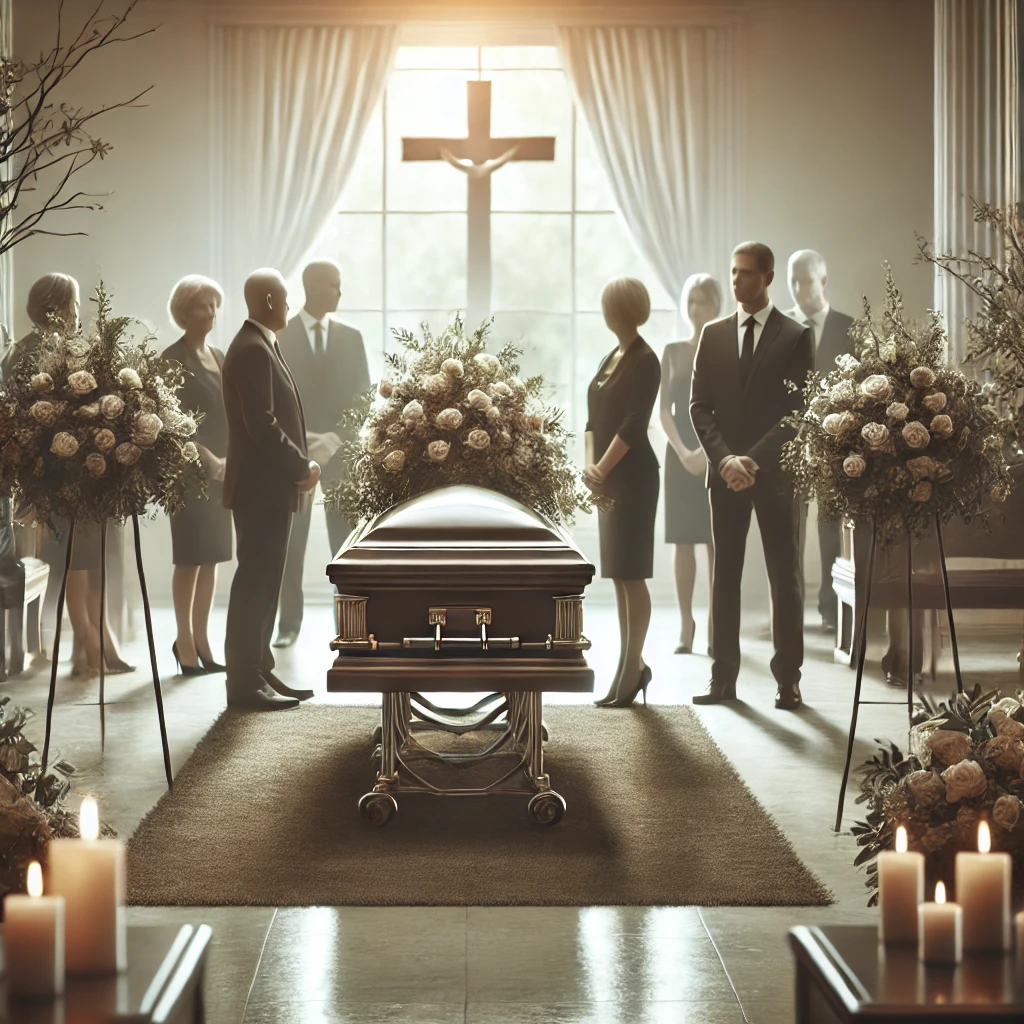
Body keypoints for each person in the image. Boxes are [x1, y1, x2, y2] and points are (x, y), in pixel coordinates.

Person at [690, 242, 814, 711]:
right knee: (727, 576)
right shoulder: (714, 334)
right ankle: (723, 680)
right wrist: (724, 461)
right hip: (725, 475)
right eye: (733, 272)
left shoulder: (795, 336)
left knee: (786, 577)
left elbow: (798, 412)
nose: (737, 281)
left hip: (777, 476)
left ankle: (788, 681)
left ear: (768, 276)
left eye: (745, 274)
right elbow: (698, 406)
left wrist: (752, 461)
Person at [3, 274, 133, 677]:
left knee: (92, 559)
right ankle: (92, 643)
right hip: (54, 472)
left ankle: (92, 642)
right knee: (76, 560)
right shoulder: (24, 353)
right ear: (55, 307)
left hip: (87, 468)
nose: (79, 313)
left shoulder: (77, 348)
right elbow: (16, 420)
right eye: (75, 304)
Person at [221, 269, 320, 711]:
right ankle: (244, 683)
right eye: (284, 297)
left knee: (265, 583)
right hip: (260, 489)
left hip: (268, 488)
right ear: (267, 298)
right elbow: (261, 424)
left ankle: (260, 670)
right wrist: (302, 465)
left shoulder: (260, 344)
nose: (289, 304)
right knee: (254, 584)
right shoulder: (250, 349)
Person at [273, 259, 370, 648]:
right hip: (295, 453)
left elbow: (363, 397)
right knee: (291, 543)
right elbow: (276, 397)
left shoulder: (352, 337)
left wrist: (335, 439)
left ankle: (350, 625)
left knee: (345, 543)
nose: (339, 293)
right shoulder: (281, 336)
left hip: (341, 455)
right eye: (334, 285)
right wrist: (305, 440)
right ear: (312, 286)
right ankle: (288, 625)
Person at [585, 277, 661, 708]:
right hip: (608, 477)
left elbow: (634, 423)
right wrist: (590, 467)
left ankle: (632, 668)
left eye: (608, 304)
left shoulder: (646, 359)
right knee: (617, 576)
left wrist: (602, 468)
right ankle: (627, 667)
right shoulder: (609, 356)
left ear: (623, 310)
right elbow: (593, 419)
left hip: (633, 477)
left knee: (633, 574)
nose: (604, 310)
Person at [162, 275, 232, 675]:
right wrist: (207, 458)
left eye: (213, 306)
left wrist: (229, 460)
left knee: (213, 558)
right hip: (188, 472)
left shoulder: (220, 356)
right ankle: (184, 643)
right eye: (202, 306)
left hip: (225, 472)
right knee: (190, 558)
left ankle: (203, 640)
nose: (209, 312)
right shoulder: (171, 360)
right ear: (183, 312)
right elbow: (173, 424)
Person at [784, 249, 855, 634]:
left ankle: (832, 607)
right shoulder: (778, 327)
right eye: (792, 281)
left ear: (823, 281)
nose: (798, 289)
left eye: (806, 280)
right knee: (789, 527)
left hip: (835, 445)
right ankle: (789, 606)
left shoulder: (848, 329)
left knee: (831, 527)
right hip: (789, 445)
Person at [660, 273, 721, 656]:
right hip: (679, 451)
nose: (696, 308)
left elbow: (731, 408)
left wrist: (708, 452)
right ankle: (686, 624)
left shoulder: (727, 347)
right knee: (682, 540)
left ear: (717, 304)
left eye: (703, 301)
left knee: (717, 540)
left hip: (717, 448)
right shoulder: (673, 350)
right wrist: (684, 452)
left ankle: (717, 623)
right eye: (691, 301)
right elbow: (663, 410)